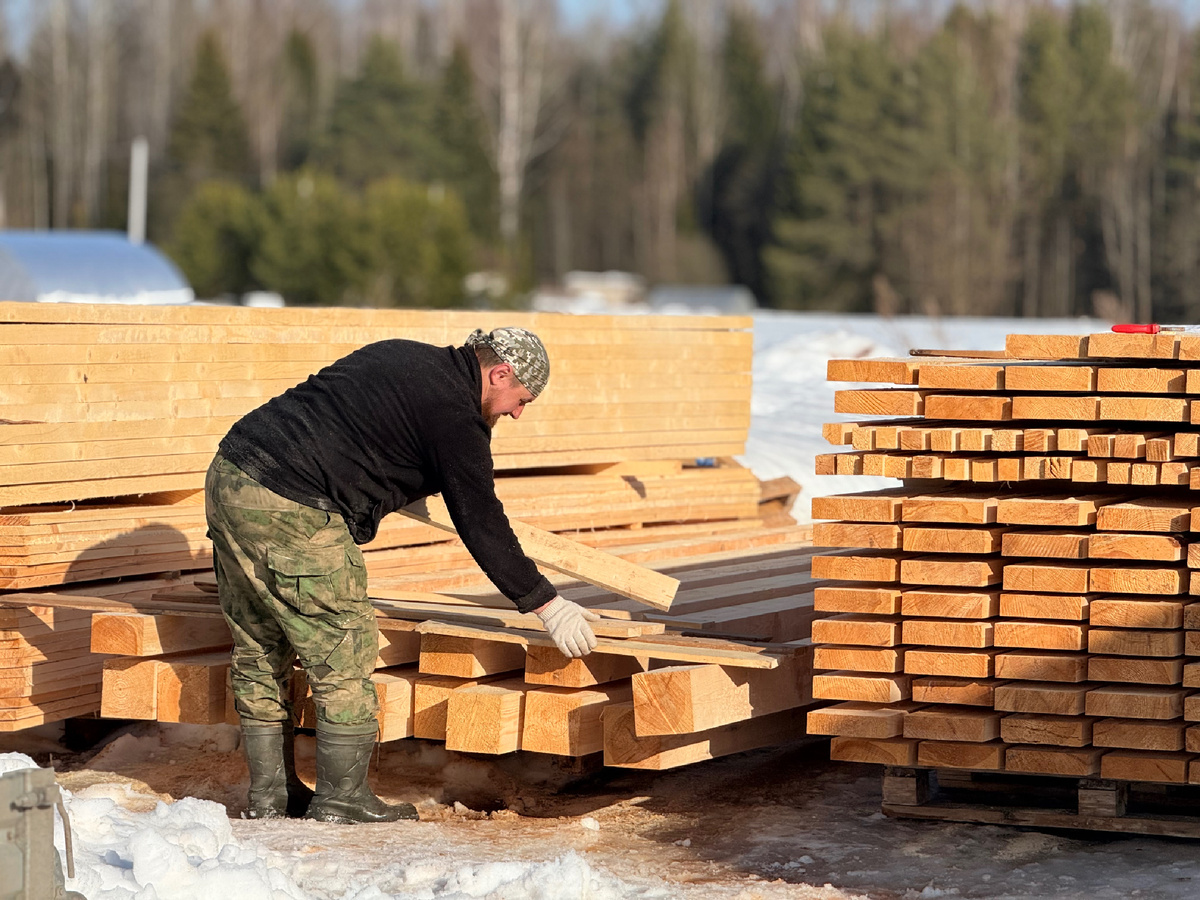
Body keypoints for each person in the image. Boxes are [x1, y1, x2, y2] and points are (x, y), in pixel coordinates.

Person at [204, 327, 600, 825]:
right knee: (343, 650)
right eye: (519, 400)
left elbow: (358, 433)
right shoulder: (456, 418)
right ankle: (342, 799)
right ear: (499, 373)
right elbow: (480, 521)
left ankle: (271, 798)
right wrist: (546, 603)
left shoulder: (402, 356)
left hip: (231, 474)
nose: (516, 413)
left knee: (260, 648)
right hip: (293, 507)